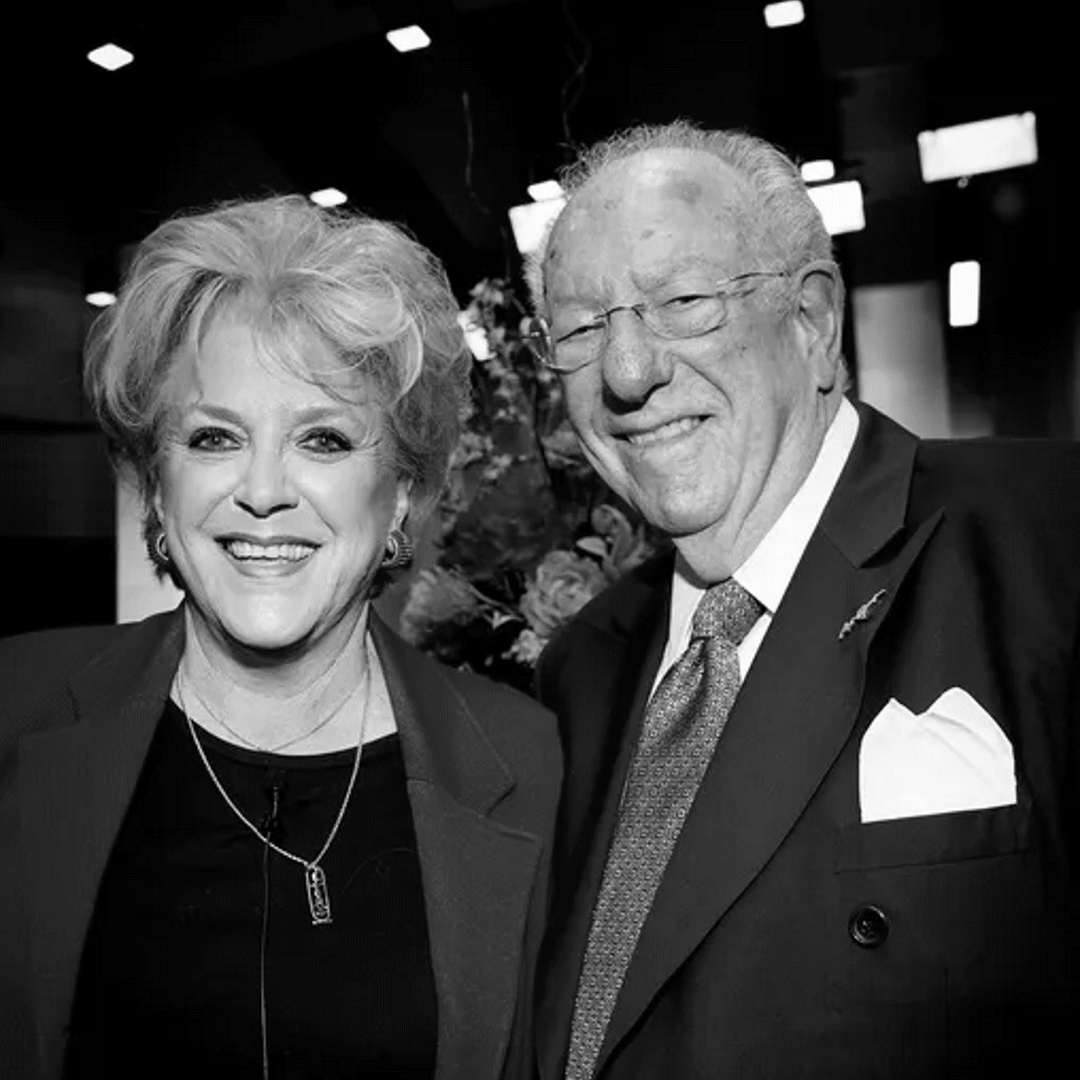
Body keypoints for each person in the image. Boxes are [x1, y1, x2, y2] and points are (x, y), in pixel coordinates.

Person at [523, 120, 1079, 1079]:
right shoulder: (577, 672)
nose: (625, 373)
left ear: (814, 321)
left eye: (684, 302)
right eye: (581, 329)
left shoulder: (1047, 543)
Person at [0, 195, 560, 1080]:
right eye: (215, 436)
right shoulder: (16, 709)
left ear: (404, 498)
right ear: (156, 483)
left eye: (324, 439)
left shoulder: (524, 762)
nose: (263, 490)